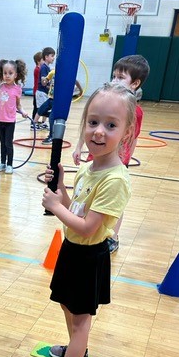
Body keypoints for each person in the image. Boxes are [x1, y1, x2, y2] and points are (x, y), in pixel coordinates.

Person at [26, 83, 137, 357]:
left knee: (80, 321)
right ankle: (80, 351)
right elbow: (76, 207)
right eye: (93, 122)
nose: (99, 132)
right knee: (68, 307)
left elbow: (89, 228)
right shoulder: (91, 167)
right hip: (73, 251)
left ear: (126, 133)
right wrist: (60, 188)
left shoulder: (115, 180)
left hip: (88, 256)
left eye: (111, 125)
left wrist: (55, 207)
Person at [73, 54, 150, 253]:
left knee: (112, 203)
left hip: (114, 161)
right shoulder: (103, 100)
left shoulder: (134, 111)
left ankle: (111, 236)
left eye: (121, 77)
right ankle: (82, 220)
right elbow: (88, 125)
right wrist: (79, 146)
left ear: (135, 83)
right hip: (95, 159)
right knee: (88, 195)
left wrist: (125, 162)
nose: (115, 80)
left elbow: (132, 138)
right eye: (114, 76)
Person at [0, 59, 28, 174]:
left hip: (10, 121)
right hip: (0, 120)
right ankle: (2, 163)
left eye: (10, 73)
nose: (7, 76)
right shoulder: (2, 87)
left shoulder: (17, 89)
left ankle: (9, 164)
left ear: (16, 75)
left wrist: (23, 112)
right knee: (2, 143)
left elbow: (18, 105)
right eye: (5, 73)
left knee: (8, 143)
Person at [40, 76, 83, 145]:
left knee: (51, 117)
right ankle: (51, 131)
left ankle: (52, 136)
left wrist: (81, 90)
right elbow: (45, 83)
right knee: (41, 111)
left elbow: (75, 80)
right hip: (50, 98)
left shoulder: (64, 73)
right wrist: (44, 81)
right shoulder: (53, 73)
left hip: (58, 100)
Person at [34, 47, 56, 130]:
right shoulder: (44, 67)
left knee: (45, 108)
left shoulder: (47, 67)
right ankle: (34, 123)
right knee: (42, 109)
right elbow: (43, 80)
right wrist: (47, 80)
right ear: (46, 57)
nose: (53, 58)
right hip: (41, 92)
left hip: (45, 92)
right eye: (52, 56)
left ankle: (43, 123)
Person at [31, 51, 43, 124]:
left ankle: (36, 121)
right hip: (36, 91)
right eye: (42, 60)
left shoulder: (40, 69)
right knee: (36, 107)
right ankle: (33, 122)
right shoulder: (37, 69)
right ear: (38, 61)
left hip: (38, 91)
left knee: (39, 107)